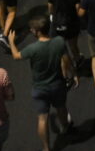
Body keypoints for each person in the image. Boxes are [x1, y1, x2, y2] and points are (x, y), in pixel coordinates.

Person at [8, 16, 75, 151]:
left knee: (42, 119)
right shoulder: (59, 42)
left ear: (37, 31)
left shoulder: (32, 49)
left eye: (32, 29)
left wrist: (11, 42)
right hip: (57, 84)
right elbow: (67, 60)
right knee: (61, 107)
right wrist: (72, 75)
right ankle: (66, 128)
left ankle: (46, 147)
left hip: (40, 88)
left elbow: (16, 56)